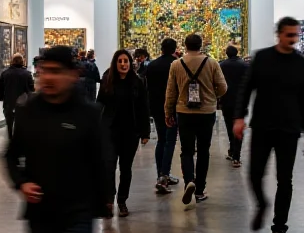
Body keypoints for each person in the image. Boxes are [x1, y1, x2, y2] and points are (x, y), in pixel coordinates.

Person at [4, 46, 106, 233]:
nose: (47, 77)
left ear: (73, 75)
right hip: (41, 215)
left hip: (78, 215)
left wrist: (101, 204)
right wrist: (21, 182)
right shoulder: (28, 111)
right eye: (43, 70)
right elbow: (11, 157)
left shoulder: (89, 114)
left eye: (55, 71)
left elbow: (101, 161)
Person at [233, 17, 304, 233]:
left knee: (285, 180)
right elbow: (246, 88)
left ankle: (280, 228)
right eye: (289, 35)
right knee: (254, 174)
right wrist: (239, 117)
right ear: (278, 34)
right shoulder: (263, 58)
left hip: (289, 129)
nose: (292, 40)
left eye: (295, 35)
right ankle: (261, 204)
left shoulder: (303, 65)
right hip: (262, 126)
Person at [165, 33, 227, 207]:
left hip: (184, 112)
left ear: (185, 46)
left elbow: (170, 92)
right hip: (207, 112)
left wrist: (168, 112)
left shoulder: (176, 64)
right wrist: (211, 96)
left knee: (186, 150)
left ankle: (188, 182)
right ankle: (200, 190)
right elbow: (223, 87)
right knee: (203, 150)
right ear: (201, 46)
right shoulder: (212, 63)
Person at [96, 50, 151, 217]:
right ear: (115, 63)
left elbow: (143, 107)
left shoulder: (137, 82)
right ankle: (108, 200)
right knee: (109, 167)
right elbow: (99, 105)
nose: (123, 64)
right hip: (110, 131)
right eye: (120, 61)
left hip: (130, 132)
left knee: (126, 169)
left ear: (130, 63)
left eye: (125, 61)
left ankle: (122, 200)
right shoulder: (107, 80)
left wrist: (145, 132)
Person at [146, 38, 181, 193]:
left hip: (156, 107)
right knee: (170, 141)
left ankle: (161, 173)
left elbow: (148, 88)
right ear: (174, 49)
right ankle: (164, 176)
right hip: (172, 108)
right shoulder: (177, 64)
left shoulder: (152, 65)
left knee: (161, 140)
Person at [219, 45, 248, 168]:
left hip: (226, 99)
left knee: (229, 126)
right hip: (240, 101)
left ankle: (232, 150)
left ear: (227, 54)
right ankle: (236, 155)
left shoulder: (222, 65)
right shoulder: (244, 65)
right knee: (238, 128)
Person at [0, 52, 35, 139]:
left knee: (9, 123)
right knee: (22, 123)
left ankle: (11, 138)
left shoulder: (5, 73)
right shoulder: (27, 74)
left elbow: (1, 88)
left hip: (8, 102)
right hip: (24, 103)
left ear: (12, 61)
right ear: (22, 61)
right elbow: (31, 89)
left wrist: (0, 97)